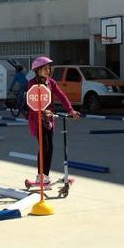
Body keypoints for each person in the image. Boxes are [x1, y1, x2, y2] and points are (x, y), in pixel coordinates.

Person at [27, 56, 80, 185]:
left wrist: (70, 110)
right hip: (37, 120)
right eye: (44, 68)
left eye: (48, 68)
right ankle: (40, 176)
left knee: (50, 147)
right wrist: (42, 111)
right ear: (37, 70)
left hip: (49, 120)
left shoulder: (51, 83)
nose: (48, 70)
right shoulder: (32, 84)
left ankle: (45, 176)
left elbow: (61, 95)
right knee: (44, 147)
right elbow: (31, 103)